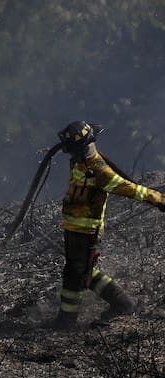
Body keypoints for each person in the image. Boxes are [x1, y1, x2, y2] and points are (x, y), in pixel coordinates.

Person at [50, 121, 165, 330]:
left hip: (87, 230)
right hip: (73, 228)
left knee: (78, 272)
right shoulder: (78, 163)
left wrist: (157, 198)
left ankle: (74, 318)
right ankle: (113, 305)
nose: (71, 156)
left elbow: (129, 188)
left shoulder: (99, 171)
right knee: (80, 271)